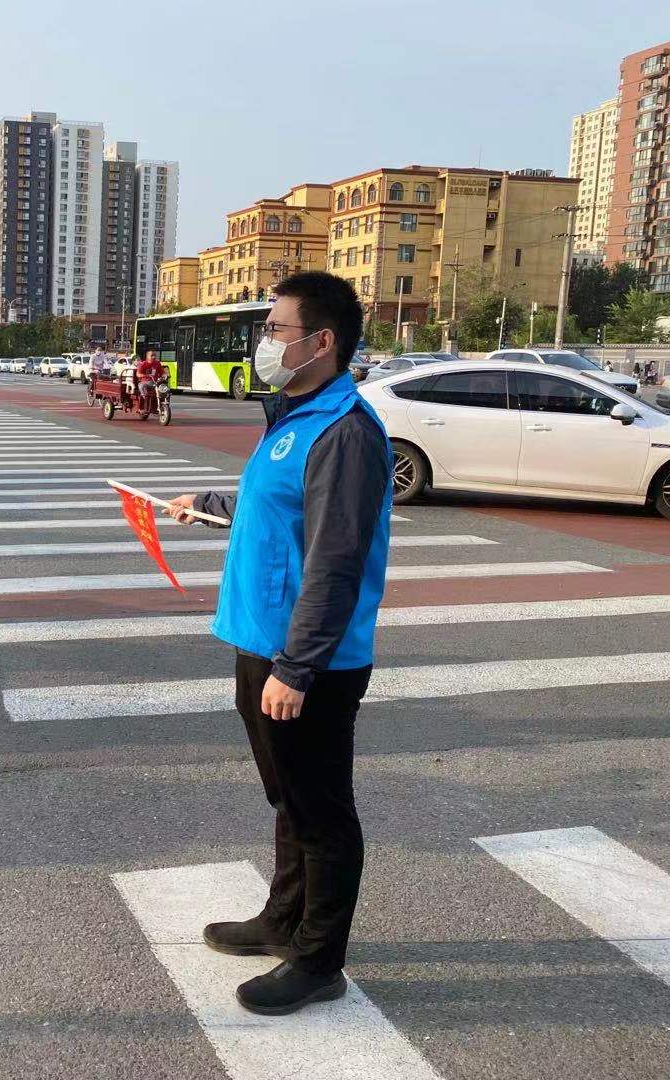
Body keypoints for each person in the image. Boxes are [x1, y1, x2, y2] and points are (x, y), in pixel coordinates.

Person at [166, 271, 390, 1016]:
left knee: (322, 812)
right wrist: (207, 503)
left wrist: (296, 669)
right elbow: (277, 507)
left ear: (321, 342)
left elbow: (335, 561)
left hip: (308, 662)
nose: (263, 342)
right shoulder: (295, 415)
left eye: (274, 329)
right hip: (263, 642)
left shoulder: (345, 431)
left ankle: (319, 960)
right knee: (289, 797)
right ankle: (282, 920)